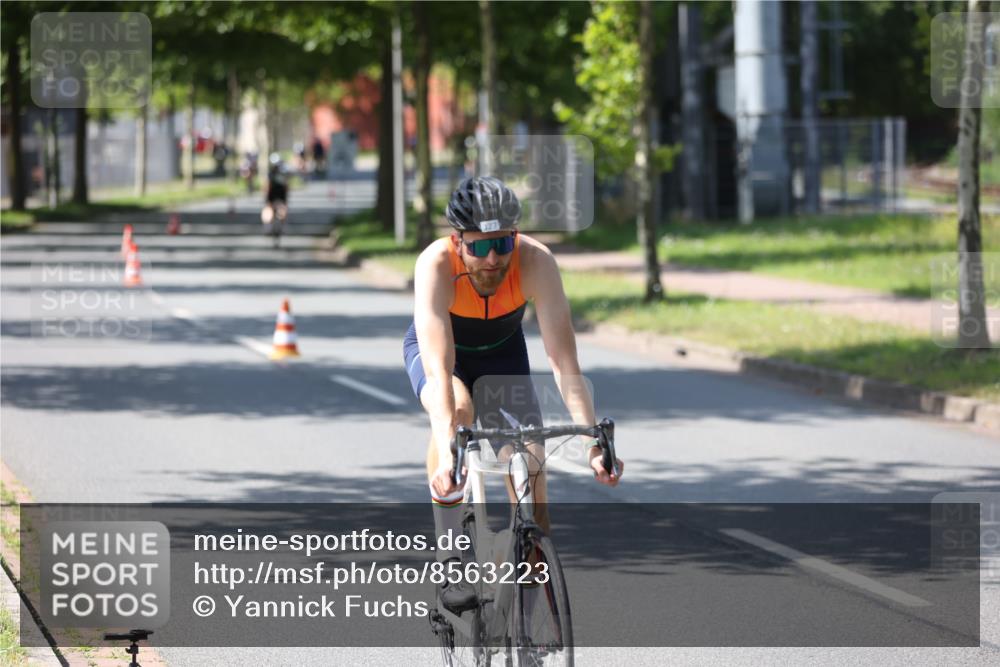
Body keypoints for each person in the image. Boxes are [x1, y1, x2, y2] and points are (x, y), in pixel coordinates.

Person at [403, 176, 624, 612]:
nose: (491, 260)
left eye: (501, 245)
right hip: (442, 353)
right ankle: (449, 558)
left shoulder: (537, 262)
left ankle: (525, 624)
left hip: (502, 352)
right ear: (457, 240)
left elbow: (564, 363)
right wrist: (451, 455)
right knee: (458, 408)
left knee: (530, 469)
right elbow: (438, 368)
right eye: (479, 247)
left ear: (515, 237)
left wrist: (592, 444)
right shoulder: (434, 265)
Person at [262, 153, 289, 246]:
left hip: (280, 196)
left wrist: (285, 200)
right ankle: (268, 227)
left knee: (282, 212)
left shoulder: (283, 173)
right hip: (272, 196)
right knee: (268, 213)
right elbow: (267, 187)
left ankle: (281, 227)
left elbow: (286, 187)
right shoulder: (270, 175)